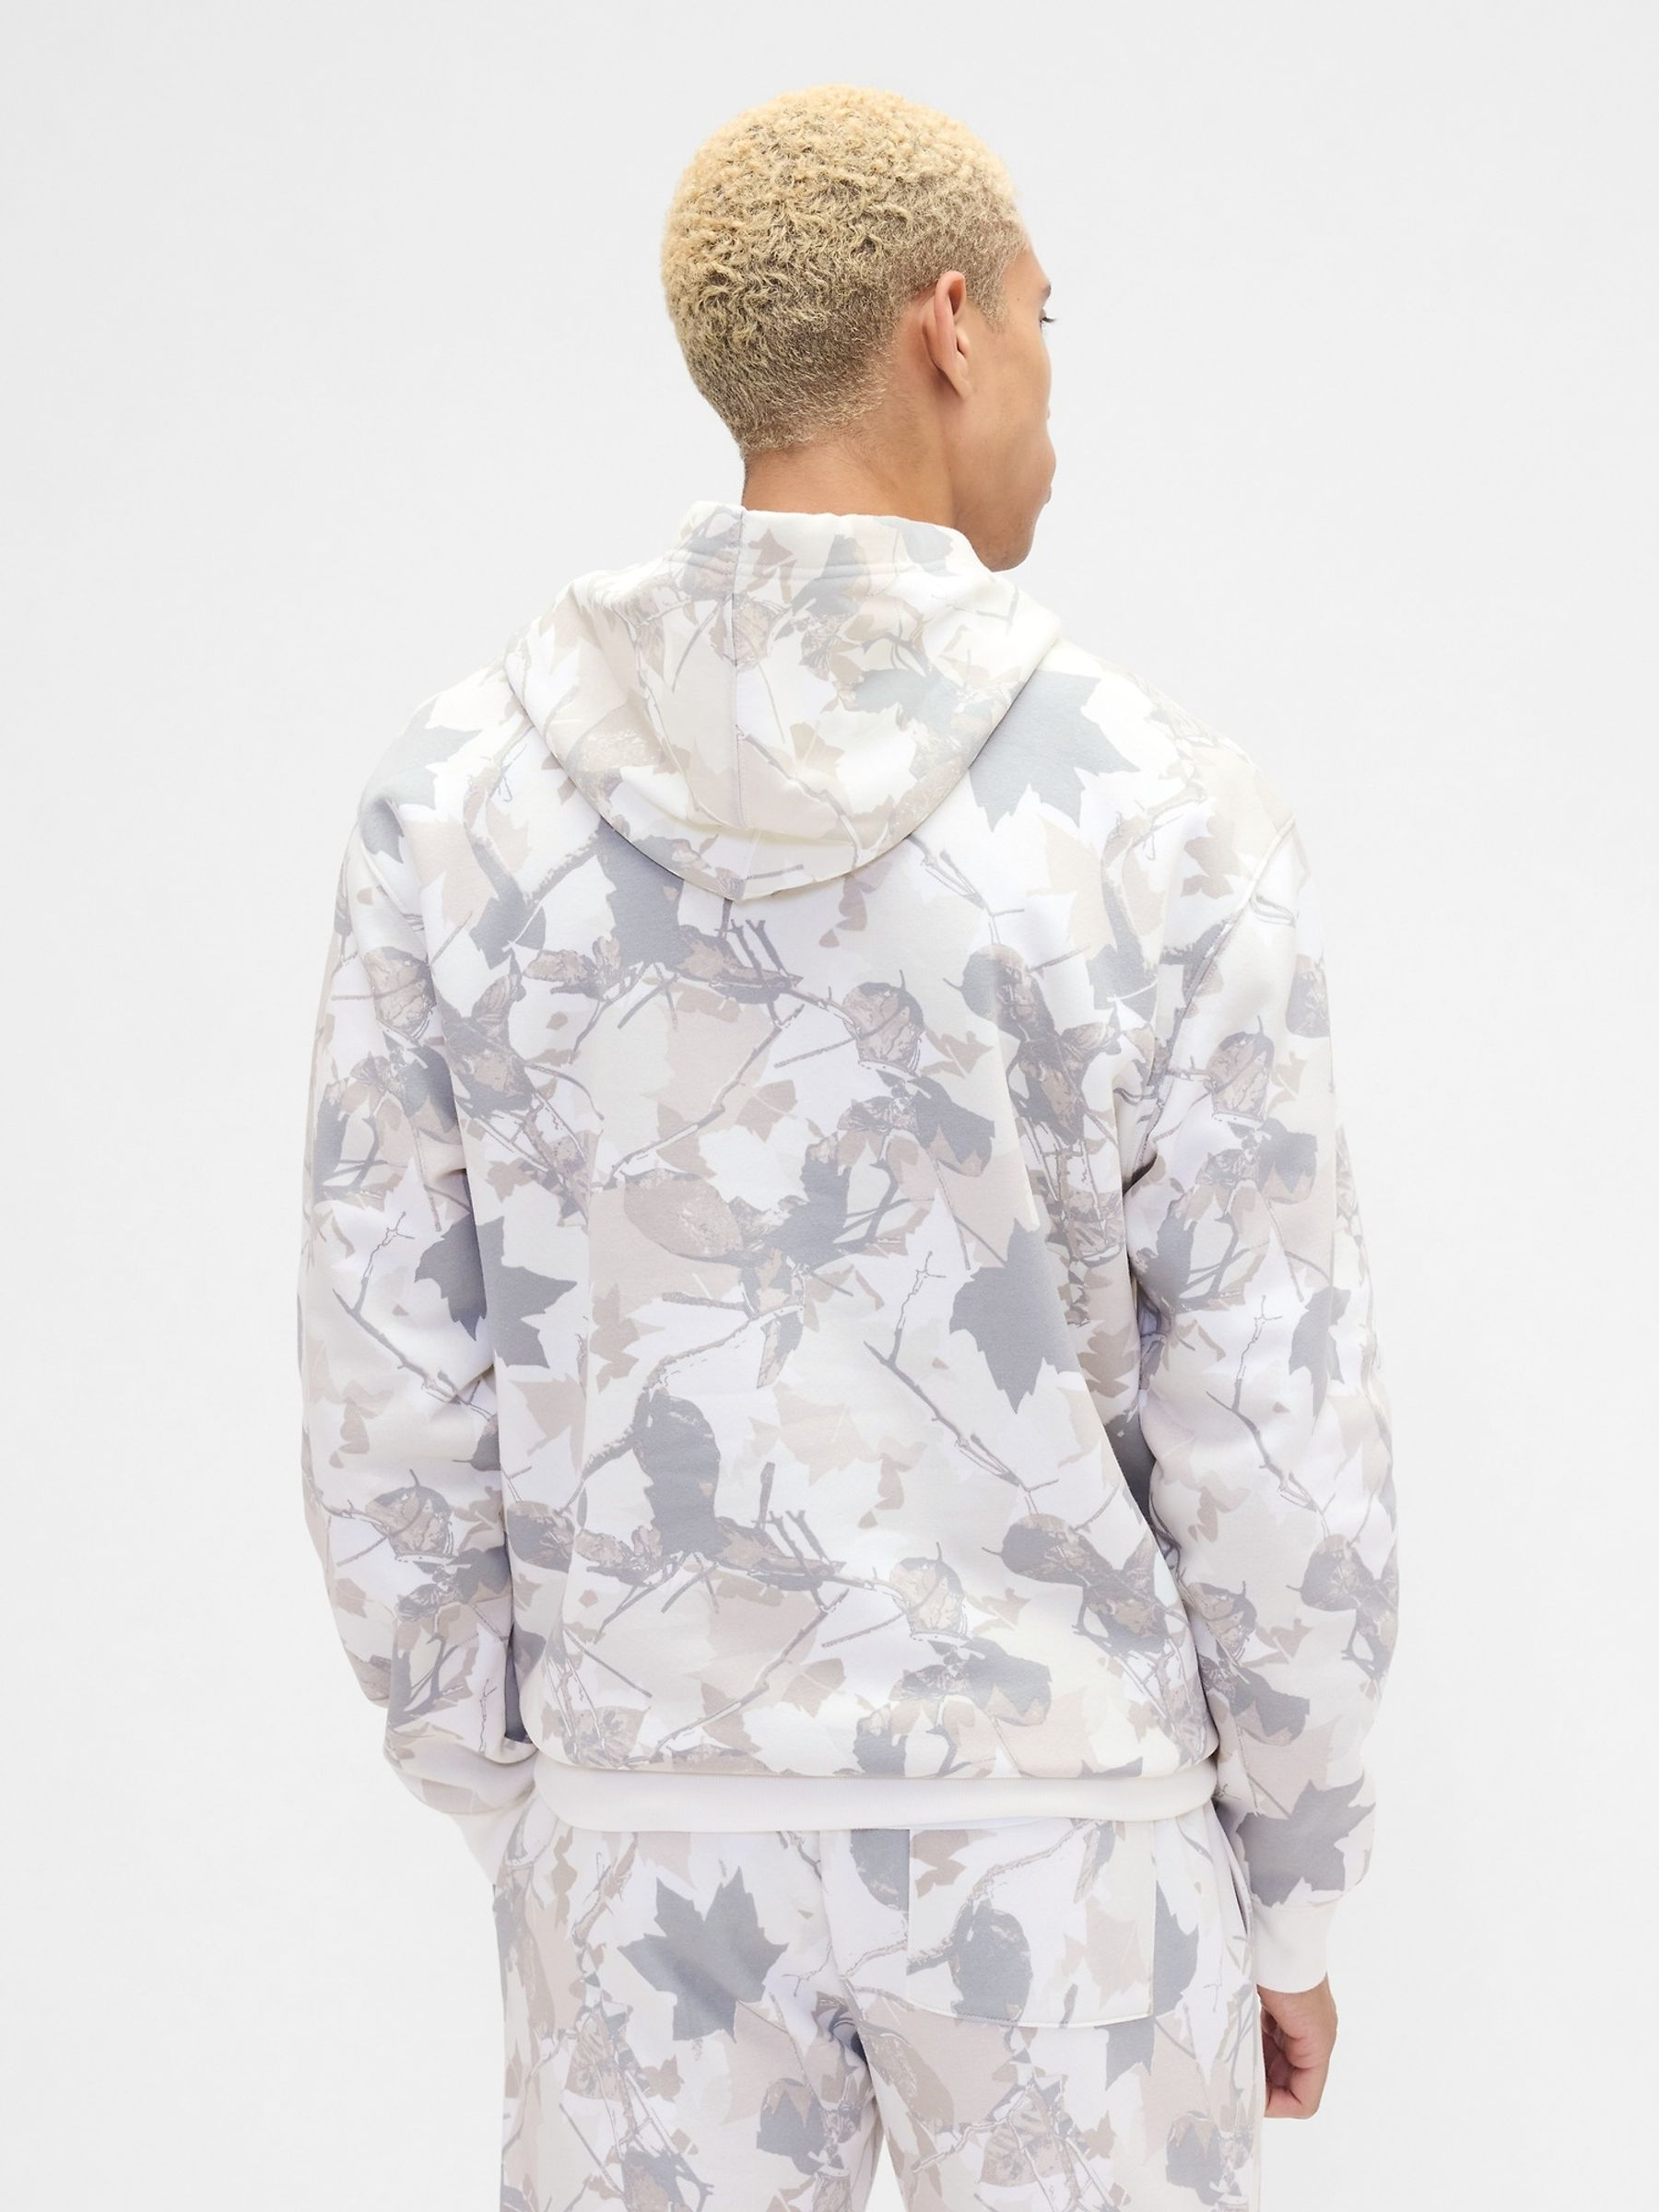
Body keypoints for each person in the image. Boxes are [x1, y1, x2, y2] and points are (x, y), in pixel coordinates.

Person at [296, 82, 1398, 2212]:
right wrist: (1296, 1886)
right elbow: (1275, 1407)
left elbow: (385, 1372)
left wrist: (519, 1787)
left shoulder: (454, 800)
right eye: (1050, 319)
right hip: (1067, 1849)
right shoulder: (1157, 807)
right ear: (951, 324)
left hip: (641, 1835)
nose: (1054, 385)